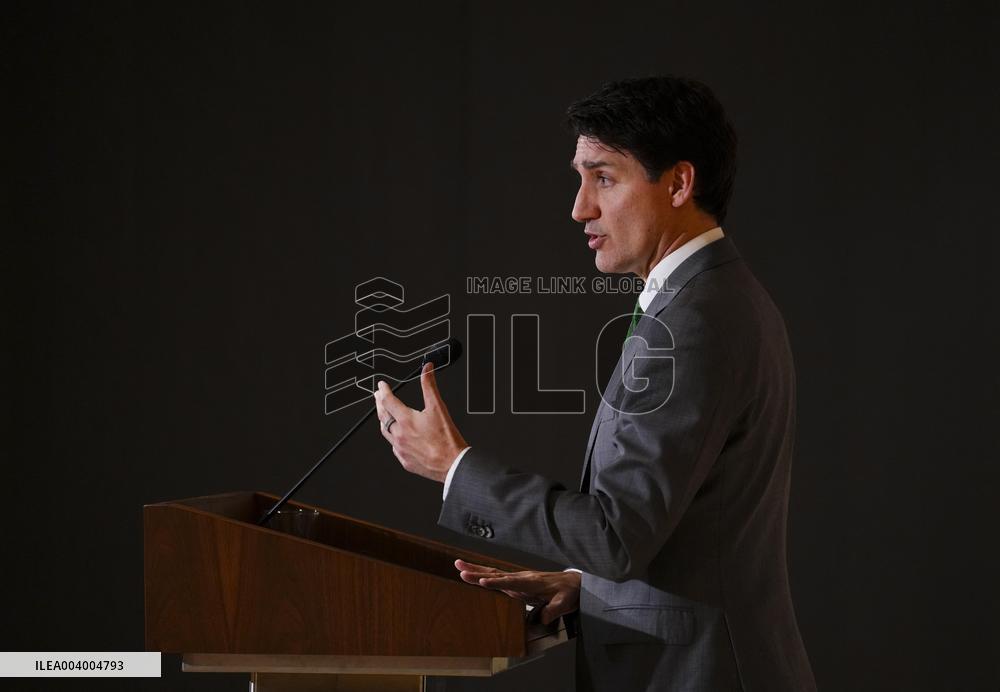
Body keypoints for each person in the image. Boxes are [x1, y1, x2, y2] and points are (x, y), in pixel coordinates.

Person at [373, 75, 817, 692]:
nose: (580, 207)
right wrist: (592, 586)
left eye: (604, 178)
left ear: (679, 184)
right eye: (580, 179)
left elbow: (614, 534)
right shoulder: (709, 299)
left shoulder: (697, 321)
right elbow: (687, 524)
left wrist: (454, 467)